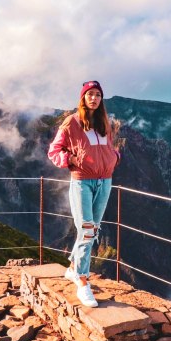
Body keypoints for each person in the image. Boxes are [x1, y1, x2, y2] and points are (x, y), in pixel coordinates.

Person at [47, 80, 121, 307]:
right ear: (83, 97)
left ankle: (72, 269)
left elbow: (109, 147)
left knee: (92, 229)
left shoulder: (104, 124)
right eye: (90, 94)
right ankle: (82, 282)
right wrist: (70, 160)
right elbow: (54, 150)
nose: (94, 98)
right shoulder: (72, 122)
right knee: (87, 231)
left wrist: (114, 157)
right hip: (82, 183)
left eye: (98, 94)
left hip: (105, 182)